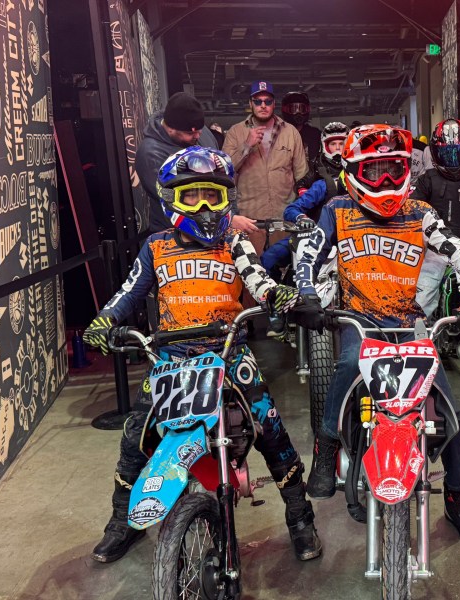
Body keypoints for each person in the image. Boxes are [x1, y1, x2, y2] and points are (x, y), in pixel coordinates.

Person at [82, 147, 322, 564]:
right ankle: (122, 522)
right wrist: (105, 320)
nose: (204, 206)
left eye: (212, 195)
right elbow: (129, 291)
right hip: (170, 359)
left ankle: (300, 516)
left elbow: (258, 279)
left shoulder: (234, 241)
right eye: (191, 196)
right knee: (135, 437)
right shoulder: (156, 246)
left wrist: (276, 296)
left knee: (270, 429)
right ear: (171, 198)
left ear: (227, 197)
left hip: (228, 352)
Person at [295, 124, 460, 543]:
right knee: (348, 362)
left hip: (410, 325)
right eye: (375, 171)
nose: (386, 180)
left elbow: (458, 254)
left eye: (394, 169)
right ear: (353, 171)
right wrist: (307, 294)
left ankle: (459, 498)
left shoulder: (421, 213)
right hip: (359, 320)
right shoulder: (337, 209)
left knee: (449, 412)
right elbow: (307, 253)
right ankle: (327, 445)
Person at [222, 81, 309, 253]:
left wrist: (302, 211)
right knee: (251, 266)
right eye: (258, 101)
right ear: (250, 104)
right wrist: (247, 145)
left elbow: (302, 174)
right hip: (249, 221)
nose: (263, 105)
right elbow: (225, 171)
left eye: (268, 101)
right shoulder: (235, 132)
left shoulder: (290, 132)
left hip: (284, 219)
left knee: (285, 267)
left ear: (274, 104)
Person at [262, 122, 350, 283]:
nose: (338, 148)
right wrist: (302, 218)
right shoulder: (324, 184)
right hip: (317, 239)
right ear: (325, 147)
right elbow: (291, 209)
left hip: (353, 240)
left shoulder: (368, 185)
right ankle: (277, 295)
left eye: (342, 144)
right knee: (269, 258)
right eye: (333, 144)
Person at [135, 92, 220, 234]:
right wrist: (225, 218)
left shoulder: (198, 130)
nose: (198, 136)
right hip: (173, 233)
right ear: (170, 129)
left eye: (199, 130)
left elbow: (223, 175)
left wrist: (231, 214)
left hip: (211, 224)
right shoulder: (150, 154)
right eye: (190, 133)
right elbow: (178, 199)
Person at [281, 91, 321, 164]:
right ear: (285, 110)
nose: (298, 113)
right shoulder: (278, 135)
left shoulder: (315, 135)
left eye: (302, 109)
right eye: (293, 109)